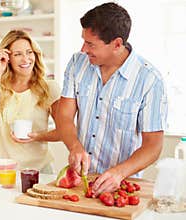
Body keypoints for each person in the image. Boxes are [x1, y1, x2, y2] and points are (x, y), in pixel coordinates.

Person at [57, 2, 167, 196]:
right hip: (81, 184)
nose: (83, 49)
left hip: (122, 186)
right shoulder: (76, 64)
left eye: (90, 44)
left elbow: (153, 146)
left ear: (117, 44)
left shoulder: (149, 80)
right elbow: (64, 116)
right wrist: (74, 146)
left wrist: (119, 173)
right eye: (84, 41)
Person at [0, 30, 61, 173]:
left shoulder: (50, 88)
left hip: (38, 171)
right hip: (4, 169)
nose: (26, 59)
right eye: (17, 54)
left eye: (29, 52)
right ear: (8, 58)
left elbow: (63, 131)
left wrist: (38, 136)